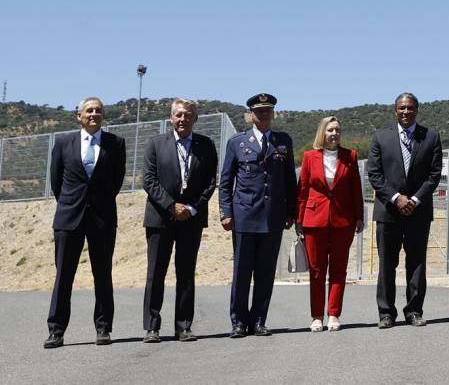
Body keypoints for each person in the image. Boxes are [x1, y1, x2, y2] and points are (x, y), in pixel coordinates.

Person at [45, 97, 127, 349]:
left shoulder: (116, 144)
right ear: (78, 116)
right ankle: (56, 331)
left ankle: (103, 328)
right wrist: (73, 204)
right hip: (69, 218)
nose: (94, 114)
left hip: (102, 218)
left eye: (98, 111)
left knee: (102, 275)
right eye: (89, 111)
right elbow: (56, 181)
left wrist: (98, 203)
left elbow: (117, 181)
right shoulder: (62, 143)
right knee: (64, 276)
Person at [219, 92, 297, 337]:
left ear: (273, 114)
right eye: (259, 111)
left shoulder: (283, 141)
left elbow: (289, 180)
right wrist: (226, 212)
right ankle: (239, 322)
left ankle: (259, 319)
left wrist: (291, 211)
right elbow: (225, 181)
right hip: (244, 215)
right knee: (242, 273)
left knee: (265, 273)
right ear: (251, 114)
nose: (264, 114)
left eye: (268, 111)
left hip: (272, 217)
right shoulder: (236, 142)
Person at [141, 98, 218, 343]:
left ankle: (183, 326)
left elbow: (210, 182)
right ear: (171, 118)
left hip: (191, 219)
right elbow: (149, 180)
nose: (183, 119)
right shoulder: (155, 144)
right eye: (179, 115)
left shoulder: (206, 145)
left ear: (195, 118)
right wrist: (171, 206)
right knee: (156, 273)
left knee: (186, 273)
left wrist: (192, 208)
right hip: (160, 218)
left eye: (188, 115)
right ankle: (152, 326)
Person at [368, 93, 443, 329]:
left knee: (417, 264)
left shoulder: (430, 137)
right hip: (388, 212)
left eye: (410, 108)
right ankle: (386, 313)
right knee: (386, 264)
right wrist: (396, 198)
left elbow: (434, 175)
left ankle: (414, 311)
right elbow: (374, 174)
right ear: (395, 110)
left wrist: (415, 200)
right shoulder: (381, 137)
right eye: (402, 108)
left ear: (417, 110)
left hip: (418, 212)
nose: (406, 112)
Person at [297, 116, 365, 332]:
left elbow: (356, 189)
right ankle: (317, 315)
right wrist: (299, 220)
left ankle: (334, 314)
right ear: (322, 133)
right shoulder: (309, 157)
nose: (334, 134)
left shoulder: (350, 156)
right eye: (330, 130)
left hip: (342, 221)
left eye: (337, 130)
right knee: (316, 270)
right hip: (314, 220)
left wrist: (359, 216)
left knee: (338, 270)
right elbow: (303, 191)